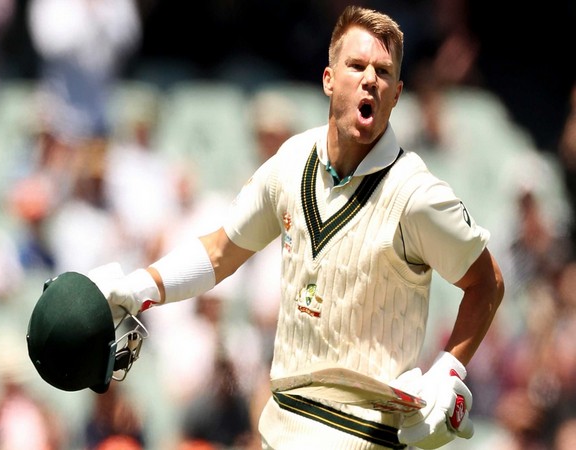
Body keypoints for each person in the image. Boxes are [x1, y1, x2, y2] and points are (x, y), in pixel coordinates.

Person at [76, 6, 505, 449]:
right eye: (356, 66)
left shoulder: (416, 195)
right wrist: (139, 288)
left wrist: (450, 368)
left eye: (383, 72)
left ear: (396, 95)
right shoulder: (289, 163)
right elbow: (222, 251)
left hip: (366, 436)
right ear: (327, 79)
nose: (370, 79)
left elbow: (486, 282)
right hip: (281, 429)